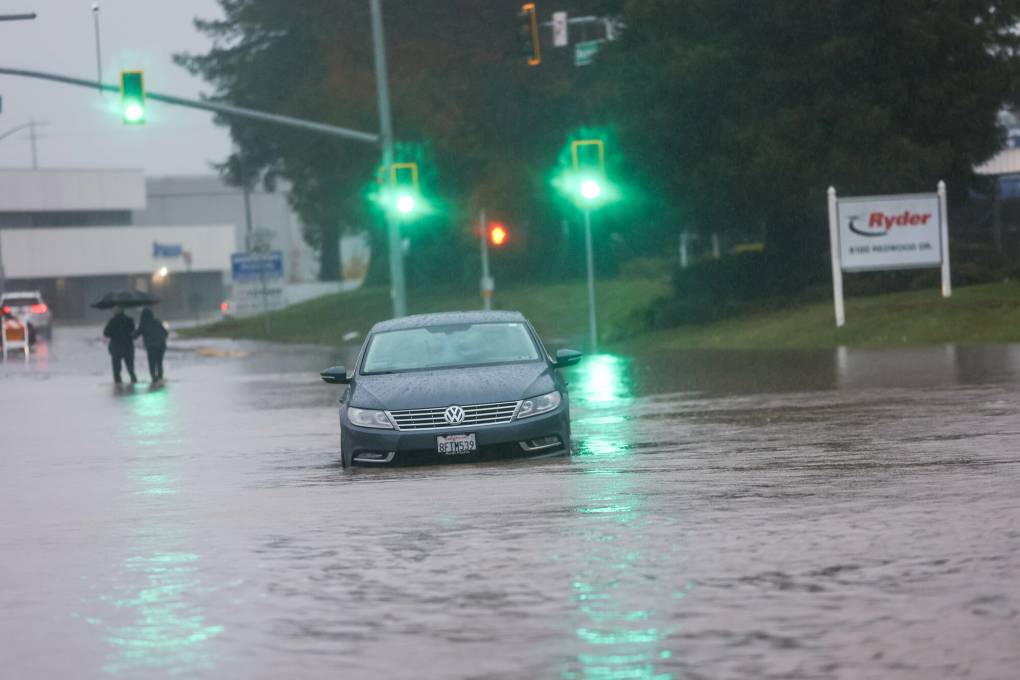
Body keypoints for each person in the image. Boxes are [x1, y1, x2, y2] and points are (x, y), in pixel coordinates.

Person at [134, 307, 168, 383]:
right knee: (159, 362)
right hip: (161, 345)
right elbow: (166, 333)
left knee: (152, 362)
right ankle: (160, 377)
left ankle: (154, 378)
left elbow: (135, 335)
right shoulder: (158, 321)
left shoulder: (143, 324)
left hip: (151, 346)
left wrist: (131, 334)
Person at [104, 306, 137, 384]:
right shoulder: (129, 320)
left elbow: (106, 333)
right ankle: (133, 377)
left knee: (116, 366)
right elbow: (133, 330)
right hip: (127, 346)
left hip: (116, 347)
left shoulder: (112, 321)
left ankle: (117, 380)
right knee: (130, 364)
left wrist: (113, 333)